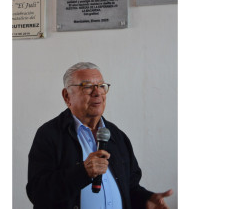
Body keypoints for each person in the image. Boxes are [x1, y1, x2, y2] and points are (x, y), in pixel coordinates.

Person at [26, 62, 173, 209]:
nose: (97, 93)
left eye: (102, 86)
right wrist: (82, 172)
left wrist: (146, 200)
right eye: (87, 86)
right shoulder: (50, 135)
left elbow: (130, 187)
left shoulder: (117, 135)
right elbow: (38, 193)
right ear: (67, 96)